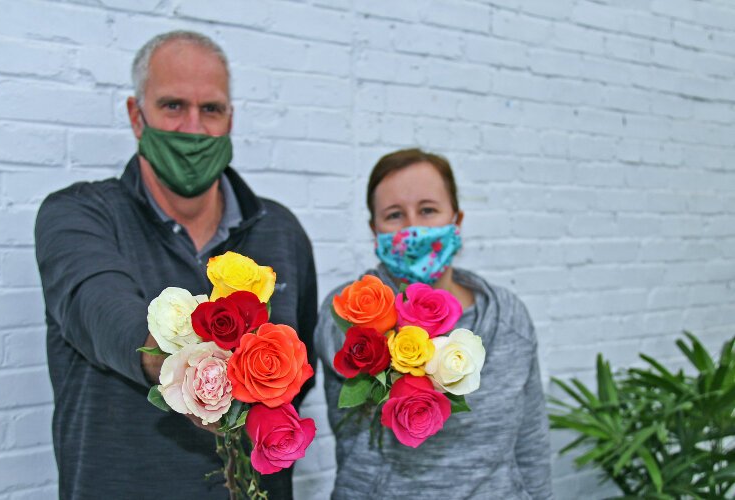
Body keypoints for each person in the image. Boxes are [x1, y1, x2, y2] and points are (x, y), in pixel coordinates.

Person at [34, 31, 317, 499]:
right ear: (136, 116)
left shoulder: (279, 230)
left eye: (211, 110)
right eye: (172, 106)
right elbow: (103, 313)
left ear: (230, 119)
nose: (193, 128)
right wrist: (200, 383)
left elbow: (300, 370)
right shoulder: (80, 215)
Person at [315, 149, 553, 499]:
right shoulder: (347, 315)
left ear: (456, 220)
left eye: (428, 210)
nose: (413, 228)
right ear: (374, 230)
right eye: (394, 215)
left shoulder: (509, 318)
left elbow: (531, 444)